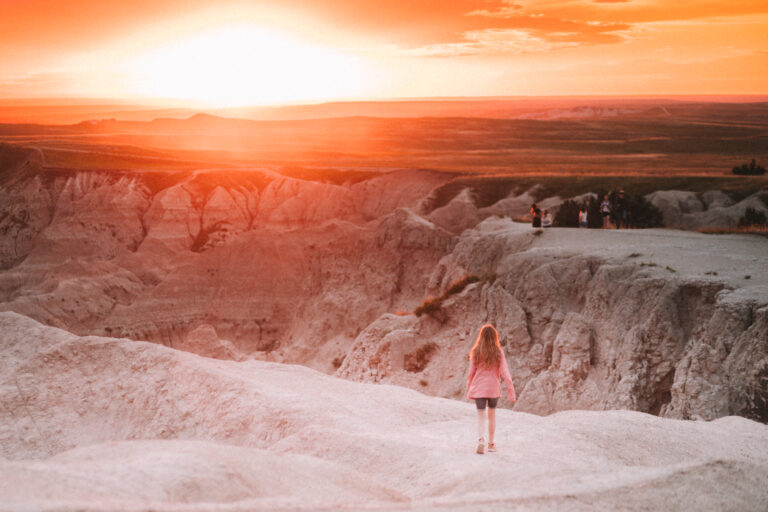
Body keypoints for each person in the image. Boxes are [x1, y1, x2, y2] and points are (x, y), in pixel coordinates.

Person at [466, 324, 516, 454]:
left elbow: (471, 372)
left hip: (479, 388)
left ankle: (481, 440)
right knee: (492, 415)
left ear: (481, 337)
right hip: (493, 388)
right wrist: (511, 391)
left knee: (481, 415)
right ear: (495, 337)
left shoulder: (476, 351)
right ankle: (491, 444)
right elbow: (505, 372)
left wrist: (470, 386)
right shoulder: (498, 352)